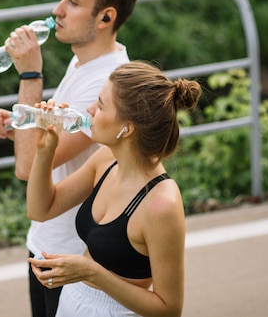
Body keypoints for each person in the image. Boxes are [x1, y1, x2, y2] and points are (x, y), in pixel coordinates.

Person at [0, 0, 138, 317]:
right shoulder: (82, 61)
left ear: (106, 18)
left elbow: (28, 167)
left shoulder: (108, 82)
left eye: (73, 2)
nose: (57, 10)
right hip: (46, 243)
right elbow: (54, 144)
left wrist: (30, 78)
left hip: (72, 259)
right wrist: (20, 127)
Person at [26, 61, 202, 317]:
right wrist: (45, 151)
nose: (89, 109)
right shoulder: (106, 160)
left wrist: (92, 272)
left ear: (126, 128)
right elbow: (40, 209)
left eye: (100, 105)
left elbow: (169, 309)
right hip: (72, 301)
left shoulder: (162, 204)